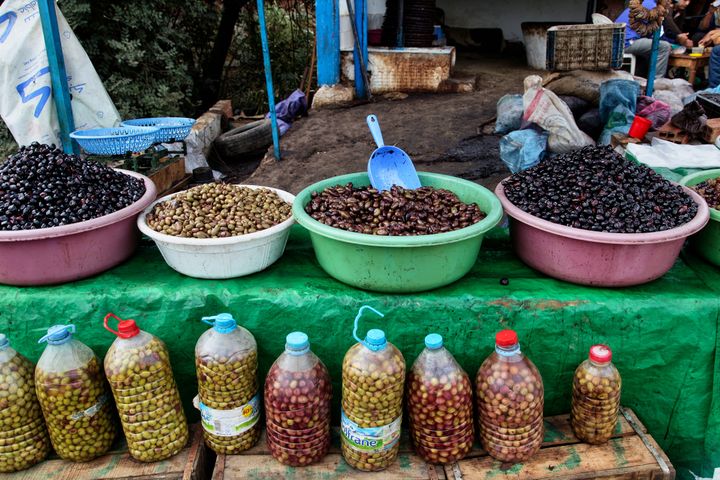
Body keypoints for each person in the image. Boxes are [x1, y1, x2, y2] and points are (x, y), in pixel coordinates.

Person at [616, 0, 672, 79]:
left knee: (655, 47)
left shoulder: (646, 3)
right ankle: (657, 82)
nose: (669, 2)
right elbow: (656, 33)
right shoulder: (652, 6)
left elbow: (650, 32)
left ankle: (644, 79)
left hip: (622, 42)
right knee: (664, 46)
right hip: (626, 42)